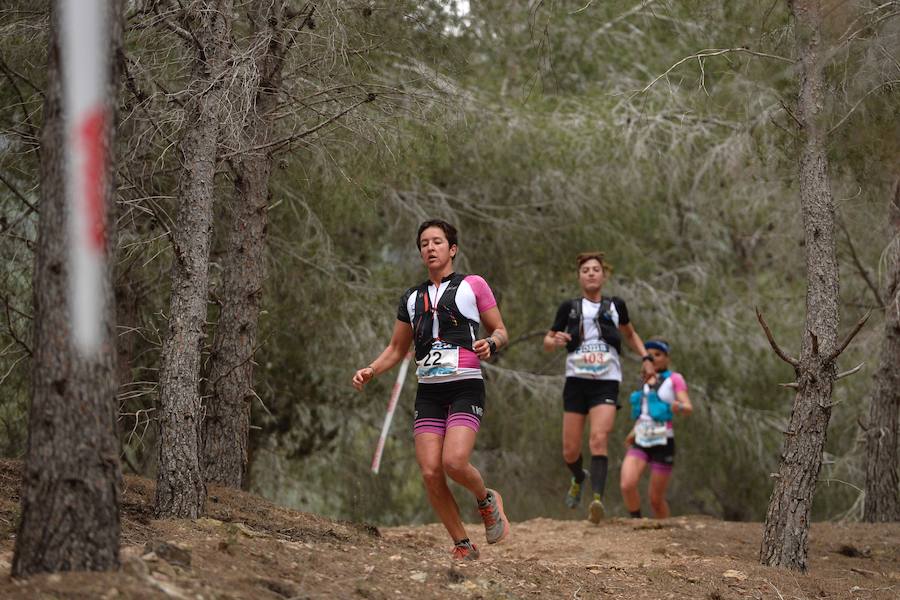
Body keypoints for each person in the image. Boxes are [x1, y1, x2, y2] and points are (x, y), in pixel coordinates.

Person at [352, 219, 510, 561]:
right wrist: (371, 369)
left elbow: (500, 330)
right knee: (429, 471)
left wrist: (491, 344)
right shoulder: (411, 298)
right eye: (424, 243)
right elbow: (396, 349)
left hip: (466, 386)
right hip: (429, 392)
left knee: (454, 461)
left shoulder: (473, 285)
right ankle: (462, 544)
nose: (430, 247)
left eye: (437, 241)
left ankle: (486, 499)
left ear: (452, 249)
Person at [543, 251, 655, 523]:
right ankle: (579, 476)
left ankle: (596, 502)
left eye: (595, 269)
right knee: (570, 450)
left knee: (598, 439)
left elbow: (629, 333)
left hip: (606, 381)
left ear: (604, 275)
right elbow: (548, 341)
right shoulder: (568, 308)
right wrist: (554, 341)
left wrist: (646, 357)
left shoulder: (616, 305)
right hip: (576, 382)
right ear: (579, 277)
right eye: (585, 270)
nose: (591, 273)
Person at [620, 339, 693, 519]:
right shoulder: (643, 379)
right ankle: (636, 522)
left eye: (658, 354)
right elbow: (644, 412)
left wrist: (679, 407)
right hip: (641, 439)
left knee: (655, 499)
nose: (652, 358)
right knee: (627, 484)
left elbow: (688, 407)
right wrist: (633, 432)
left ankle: (665, 536)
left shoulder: (674, 379)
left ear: (667, 358)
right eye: (649, 354)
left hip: (663, 441)